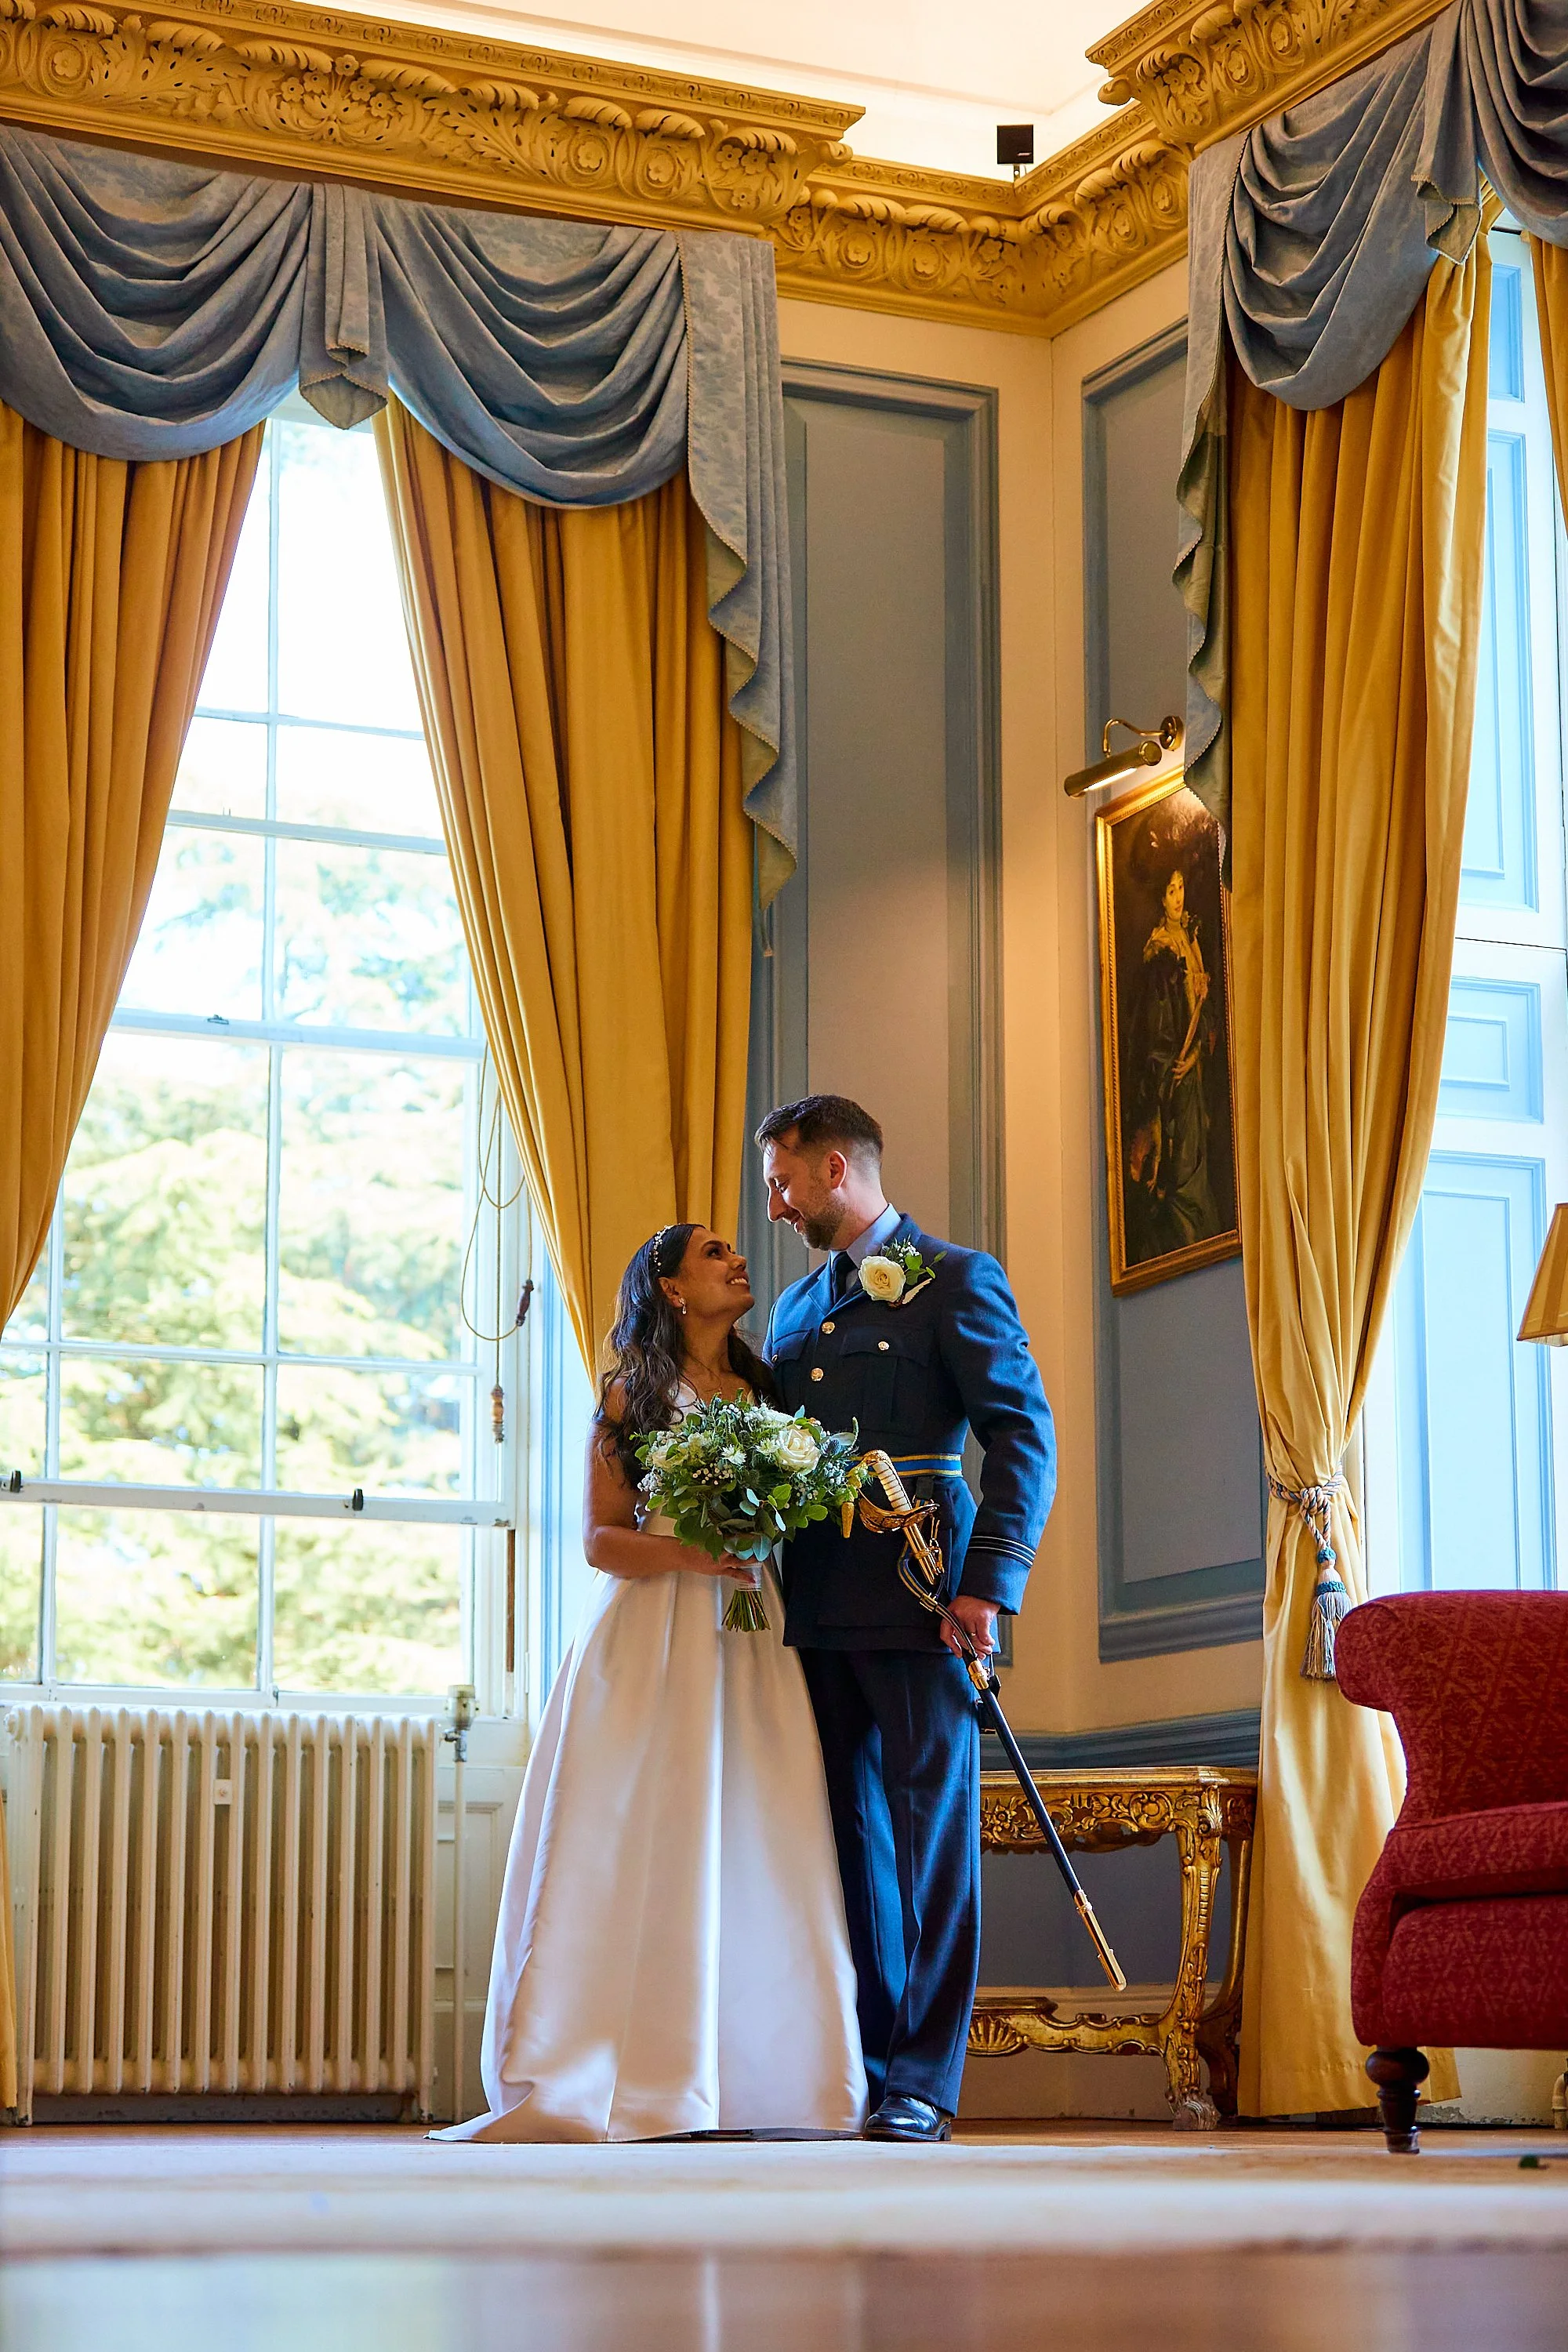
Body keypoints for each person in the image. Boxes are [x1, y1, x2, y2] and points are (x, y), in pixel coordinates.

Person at [437, 1221, 866, 2143]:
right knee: (635, 1831)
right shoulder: (632, 1392)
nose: (736, 1258)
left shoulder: (766, 1390)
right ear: (671, 1288)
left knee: (758, 1830)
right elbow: (599, 1538)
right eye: (713, 1253)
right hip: (651, 1636)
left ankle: (765, 2081)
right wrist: (695, 1549)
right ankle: (619, 2070)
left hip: (752, 1639)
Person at [759, 1095, 1055, 2143]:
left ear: (836, 1167)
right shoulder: (796, 1312)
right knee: (849, 1841)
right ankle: (875, 2070)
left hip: (925, 1588)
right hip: (820, 1599)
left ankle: (925, 2082)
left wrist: (988, 1585)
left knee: (934, 1842)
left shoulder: (957, 1278)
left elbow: (1022, 1436)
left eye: (785, 1183)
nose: (778, 1206)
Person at [1124, 862, 1220, 1261]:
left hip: (1192, 1074)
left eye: (1181, 887)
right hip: (1174, 1082)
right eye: (1170, 891)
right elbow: (1156, 1030)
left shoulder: (1192, 937)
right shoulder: (1160, 950)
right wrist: (1170, 1069)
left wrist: (1196, 1054)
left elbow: (1206, 1016)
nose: (1178, 897)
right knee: (1179, 1172)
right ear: (1160, 900)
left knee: (1196, 1164)